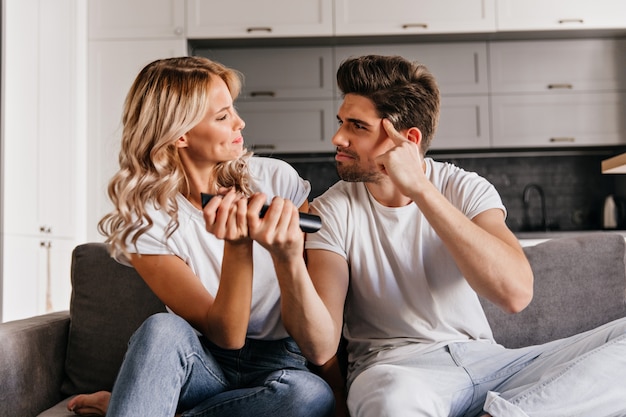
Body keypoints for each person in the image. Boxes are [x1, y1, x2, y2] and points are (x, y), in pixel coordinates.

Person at [250, 54, 626, 417]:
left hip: (492, 363)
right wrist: (286, 259)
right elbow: (320, 347)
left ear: (406, 140)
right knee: (388, 402)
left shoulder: (463, 188)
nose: (337, 137)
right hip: (400, 373)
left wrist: (421, 191)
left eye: (357, 126)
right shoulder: (332, 210)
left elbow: (514, 294)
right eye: (342, 121)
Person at [67, 56, 335, 417]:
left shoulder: (277, 180)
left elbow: (318, 333)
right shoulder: (145, 222)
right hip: (204, 362)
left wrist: (285, 252)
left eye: (233, 110)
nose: (240, 122)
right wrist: (237, 246)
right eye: (223, 117)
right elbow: (227, 336)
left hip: (281, 364)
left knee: (308, 395)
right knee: (161, 329)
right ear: (180, 134)